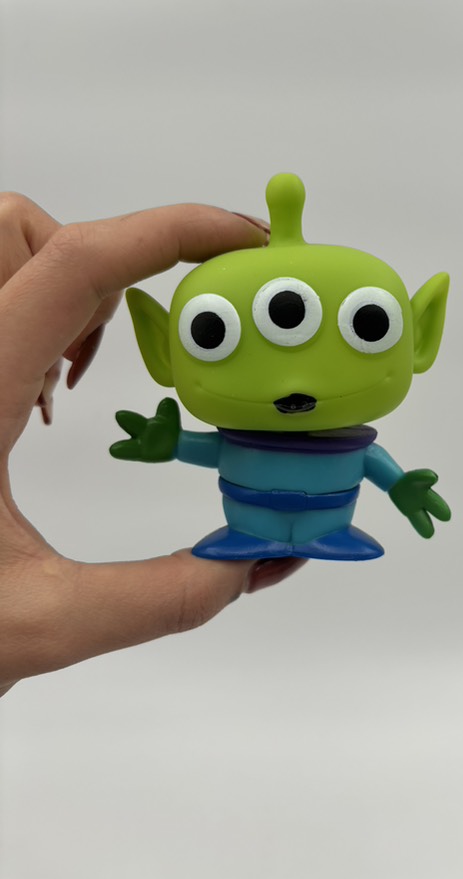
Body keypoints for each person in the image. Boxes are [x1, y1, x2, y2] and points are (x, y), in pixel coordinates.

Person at [0, 193, 306, 698]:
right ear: (160, 347)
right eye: (212, 332)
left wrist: (402, 485)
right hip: (254, 521)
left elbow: (371, 462)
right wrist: (175, 443)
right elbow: (220, 451)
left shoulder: (342, 443)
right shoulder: (244, 442)